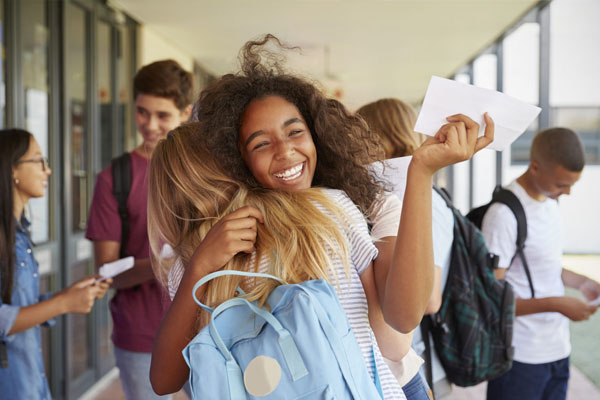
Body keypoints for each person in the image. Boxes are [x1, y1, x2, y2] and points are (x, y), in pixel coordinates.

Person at [149, 35, 494, 399]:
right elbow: (164, 381)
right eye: (260, 143)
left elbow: (403, 315)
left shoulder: (328, 209)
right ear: (237, 161)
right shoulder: (197, 263)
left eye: (296, 131)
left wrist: (420, 175)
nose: (285, 151)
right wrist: (202, 262)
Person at [86, 60, 193, 399]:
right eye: (142, 112)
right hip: (141, 335)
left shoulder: (200, 173)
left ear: (185, 113)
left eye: (162, 115)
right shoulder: (114, 178)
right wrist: (168, 264)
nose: (150, 125)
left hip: (203, 327)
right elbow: (107, 271)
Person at [482, 127, 600, 400]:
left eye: (572, 184)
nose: (568, 192)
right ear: (535, 167)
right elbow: (491, 300)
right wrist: (557, 303)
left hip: (557, 350)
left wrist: (582, 282)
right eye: (561, 185)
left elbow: (542, 264)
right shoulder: (503, 215)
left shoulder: (549, 202)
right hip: (519, 357)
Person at [0, 129, 110, 399]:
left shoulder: (20, 234)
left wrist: (68, 295)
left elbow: (21, 307)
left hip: (32, 379)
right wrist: (63, 304)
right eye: (39, 160)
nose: (47, 171)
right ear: (12, 169)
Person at [357, 98, 455, 399]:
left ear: (381, 137)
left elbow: (429, 301)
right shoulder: (390, 192)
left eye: (360, 137)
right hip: (398, 358)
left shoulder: (421, 200)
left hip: (416, 362)